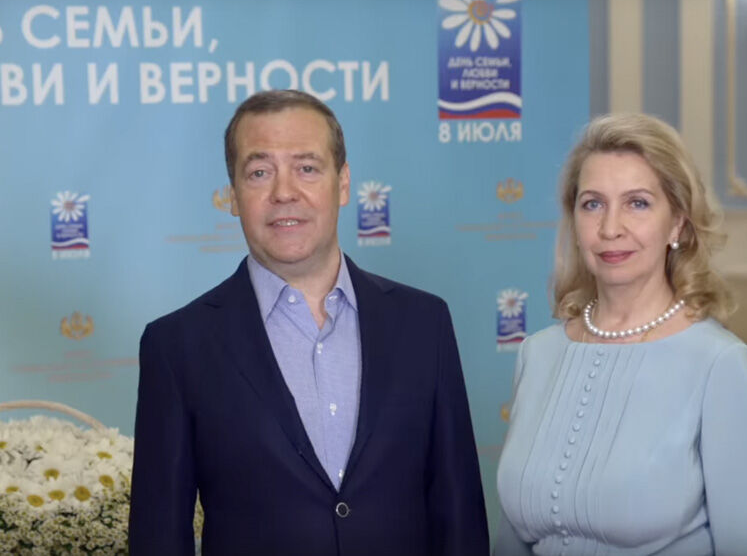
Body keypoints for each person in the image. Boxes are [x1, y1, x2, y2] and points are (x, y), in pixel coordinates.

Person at [129, 90, 489, 556]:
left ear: (343, 183)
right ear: (232, 195)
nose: (284, 192)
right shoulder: (177, 346)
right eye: (259, 172)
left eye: (307, 168)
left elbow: (459, 515)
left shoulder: (424, 324)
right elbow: (158, 536)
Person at [495, 113, 747, 556]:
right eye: (593, 204)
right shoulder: (539, 354)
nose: (611, 228)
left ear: (677, 223)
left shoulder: (721, 366)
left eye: (638, 203)